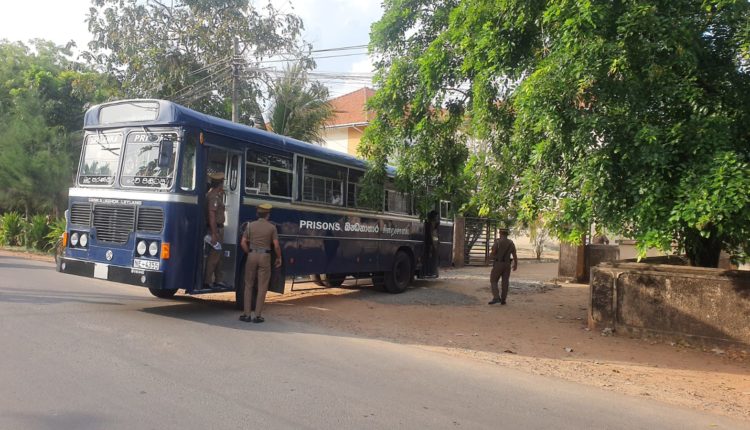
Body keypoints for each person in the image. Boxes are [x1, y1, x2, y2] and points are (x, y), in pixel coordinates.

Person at [239, 203, 282, 323]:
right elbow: (276, 246)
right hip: (265, 256)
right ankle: (257, 316)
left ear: (258, 214)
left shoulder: (250, 226)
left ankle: (246, 315)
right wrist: (279, 258)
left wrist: (249, 252)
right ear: (268, 215)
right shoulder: (272, 228)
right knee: (262, 287)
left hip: (252, 255)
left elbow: (243, 242)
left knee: (248, 285)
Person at [204, 170, 226, 289]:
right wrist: (214, 233)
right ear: (220, 184)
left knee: (218, 255)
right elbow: (211, 215)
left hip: (217, 228)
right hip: (215, 229)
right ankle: (208, 281)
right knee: (214, 256)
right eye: (222, 183)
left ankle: (219, 280)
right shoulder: (213, 197)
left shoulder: (215, 194)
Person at [488, 227, 517, 305]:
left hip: (498, 264)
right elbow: (514, 254)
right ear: (507, 234)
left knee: (493, 280)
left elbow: (493, 252)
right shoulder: (511, 243)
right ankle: (503, 299)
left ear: (500, 233)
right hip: (507, 264)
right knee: (505, 282)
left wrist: (488, 259)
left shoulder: (497, 242)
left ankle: (496, 297)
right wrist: (515, 264)